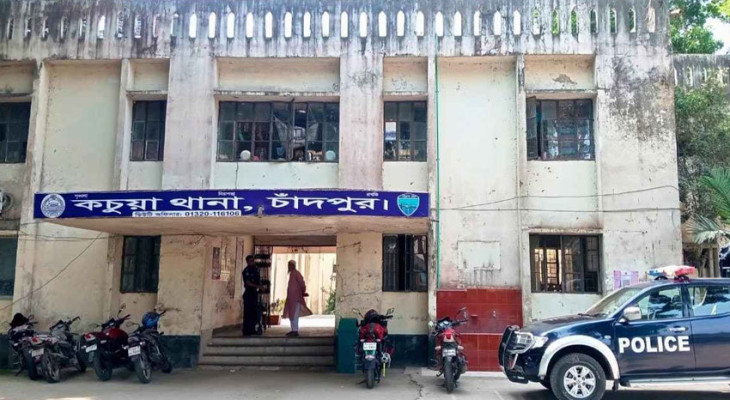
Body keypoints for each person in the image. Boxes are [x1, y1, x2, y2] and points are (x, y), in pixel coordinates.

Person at [282, 260, 312, 337]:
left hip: (296, 298)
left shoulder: (297, 273)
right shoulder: (291, 274)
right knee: (291, 314)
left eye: (290, 265)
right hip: (291, 299)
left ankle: (295, 330)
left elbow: (302, 284)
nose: (289, 266)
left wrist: (302, 291)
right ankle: (293, 330)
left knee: (294, 314)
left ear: (293, 265)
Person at [242, 255, 262, 336]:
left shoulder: (256, 270)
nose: (253, 262)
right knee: (248, 313)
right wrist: (258, 286)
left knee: (254, 312)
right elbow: (248, 283)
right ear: (247, 262)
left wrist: (260, 286)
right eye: (251, 261)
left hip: (254, 293)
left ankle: (253, 329)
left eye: (253, 261)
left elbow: (258, 280)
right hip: (248, 293)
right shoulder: (246, 271)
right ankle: (247, 330)